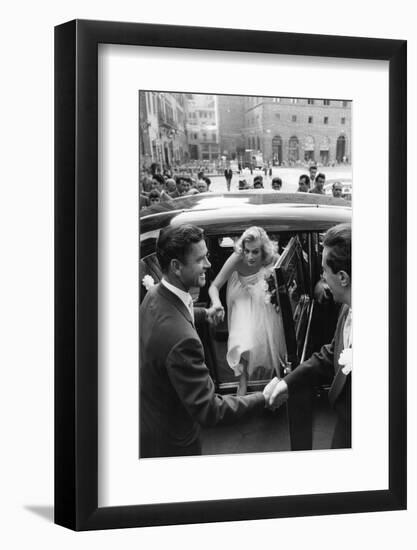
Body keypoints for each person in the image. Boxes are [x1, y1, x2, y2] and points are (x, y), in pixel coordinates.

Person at [140, 224, 268, 458]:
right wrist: (263, 398)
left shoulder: (155, 294)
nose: (208, 265)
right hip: (174, 443)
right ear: (177, 267)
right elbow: (210, 410)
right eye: (201, 259)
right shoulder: (182, 341)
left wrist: (204, 314)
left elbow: (179, 312)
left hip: (153, 419)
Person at [264, 223, 352, 448]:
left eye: (324, 270)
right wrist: (288, 383)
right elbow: (333, 352)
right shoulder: (346, 307)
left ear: (342, 277)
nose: (322, 277)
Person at [209, 227, 287, 396]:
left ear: (263, 250)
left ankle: (278, 378)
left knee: (269, 336)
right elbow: (214, 286)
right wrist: (216, 303)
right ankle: (242, 380)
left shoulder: (272, 257)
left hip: (263, 296)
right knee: (243, 339)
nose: (250, 256)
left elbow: (286, 275)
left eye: (255, 252)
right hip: (241, 295)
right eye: (247, 251)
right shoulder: (237, 258)